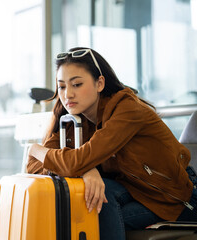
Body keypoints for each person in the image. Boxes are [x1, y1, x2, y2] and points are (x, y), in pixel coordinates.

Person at [26, 47, 197, 240]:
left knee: (90, 212)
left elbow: (74, 161)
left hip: (175, 198)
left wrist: (35, 149)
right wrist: (86, 170)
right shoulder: (73, 119)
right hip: (133, 190)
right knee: (83, 200)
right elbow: (33, 167)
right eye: (62, 86)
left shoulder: (126, 109)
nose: (68, 95)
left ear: (100, 83)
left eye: (77, 84)